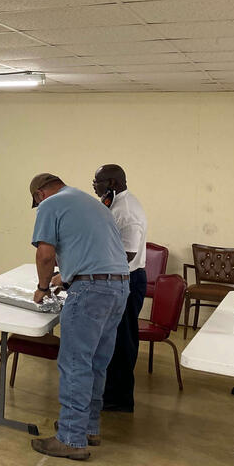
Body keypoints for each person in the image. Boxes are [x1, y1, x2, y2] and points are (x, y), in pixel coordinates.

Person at [28, 172, 130, 460]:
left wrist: (42, 286)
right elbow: (93, 248)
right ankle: (88, 427)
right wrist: (67, 276)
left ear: (39, 195)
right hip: (119, 286)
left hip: (91, 290)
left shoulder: (50, 205)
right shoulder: (91, 203)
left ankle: (71, 439)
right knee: (96, 361)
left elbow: (45, 255)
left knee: (75, 362)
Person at [92, 164, 148, 413]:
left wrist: (88, 269)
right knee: (112, 340)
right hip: (119, 279)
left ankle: (120, 398)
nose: (94, 186)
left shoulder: (127, 211)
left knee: (123, 341)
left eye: (98, 182)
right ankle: (110, 391)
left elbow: (126, 254)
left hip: (129, 280)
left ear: (113, 183)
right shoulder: (114, 204)